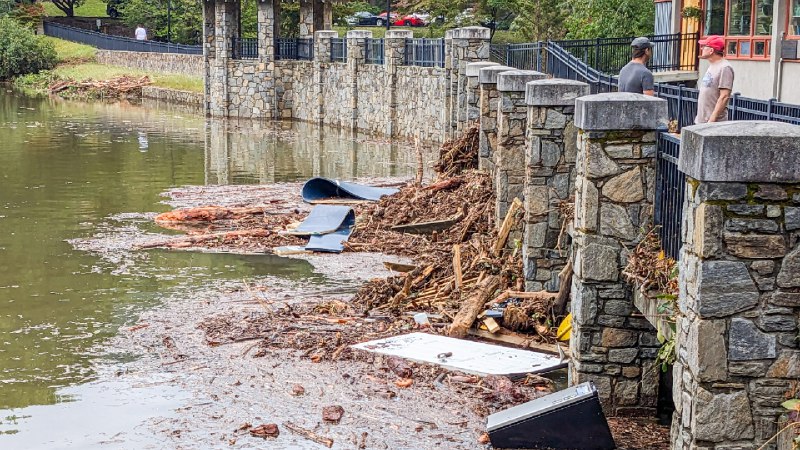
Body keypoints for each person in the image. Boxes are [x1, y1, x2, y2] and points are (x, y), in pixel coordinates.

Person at [695, 35, 734, 124]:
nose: (702, 49)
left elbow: (724, 96)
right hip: (702, 121)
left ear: (711, 50)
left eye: (704, 47)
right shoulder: (712, 66)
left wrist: (712, 120)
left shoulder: (725, 67)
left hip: (713, 124)